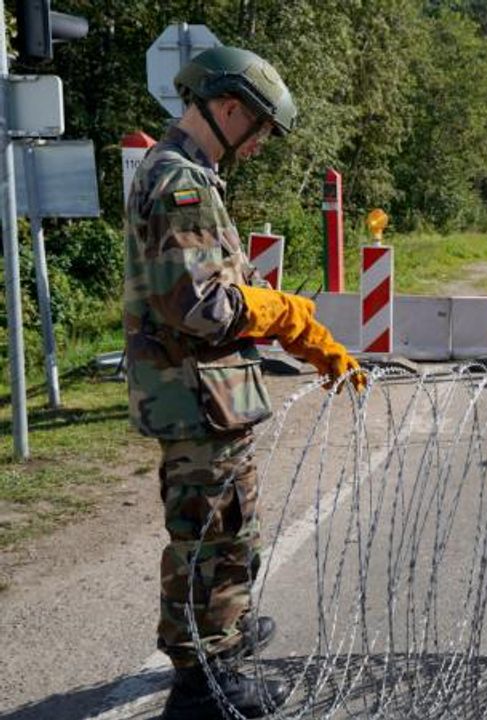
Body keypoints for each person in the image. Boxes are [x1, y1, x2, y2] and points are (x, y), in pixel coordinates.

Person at [124, 47, 364, 719]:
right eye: (259, 128)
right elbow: (202, 308)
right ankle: (208, 682)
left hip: (203, 394)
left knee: (213, 530)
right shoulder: (183, 184)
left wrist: (302, 333)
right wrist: (281, 312)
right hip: (198, 396)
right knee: (215, 536)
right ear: (229, 109)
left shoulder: (186, 173)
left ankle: (215, 637)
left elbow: (227, 284)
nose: (258, 144)